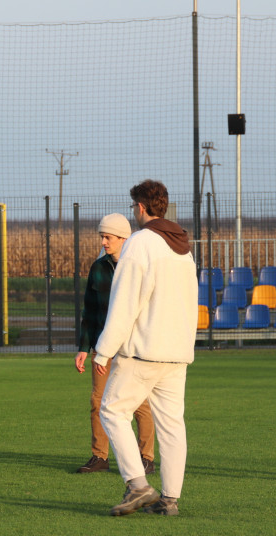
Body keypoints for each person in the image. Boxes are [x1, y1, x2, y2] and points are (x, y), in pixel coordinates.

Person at [94, 180, 197, 517]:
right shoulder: (182, 246)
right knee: (172, 424)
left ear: (140, 207)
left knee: (112, 409)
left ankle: (138, 485)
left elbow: (125, 303)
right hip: (177, 351)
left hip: (143, 350)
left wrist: (103, 350)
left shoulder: (139, 243)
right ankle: (169, 500)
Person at [74, 213, 156, 475]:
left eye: (108, 237)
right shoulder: (98, 268)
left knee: (140, 403)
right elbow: (90, 311)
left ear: (124, 238)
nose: (104, 242)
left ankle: (146, 458)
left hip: (132, 347)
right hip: (102, 347)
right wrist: (83, 349)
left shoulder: (137, 266)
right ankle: (99, 457)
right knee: (98, 401)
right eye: (102, 237)